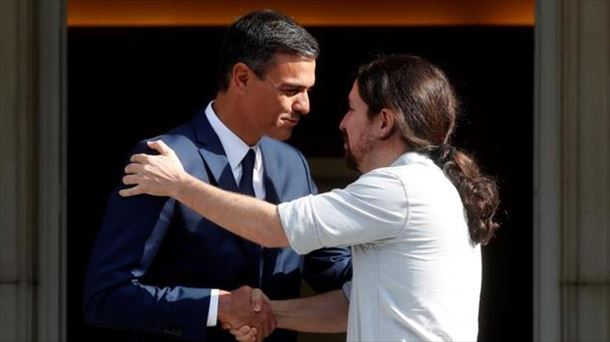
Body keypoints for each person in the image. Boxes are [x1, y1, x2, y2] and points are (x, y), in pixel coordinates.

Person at [119, 54, 500, 341]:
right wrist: (263, 312)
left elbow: (273, 227)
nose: (341, 122)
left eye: (352, 109)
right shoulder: (429, 185)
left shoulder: (399, 188)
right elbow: (349, 307)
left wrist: (178, 183)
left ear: (384, 122)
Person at [83, 9, 352, 342]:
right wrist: (215, 306)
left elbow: (329, 265)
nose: (305, 106)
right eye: (290, 90)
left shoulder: (292, 163)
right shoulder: (164, 159)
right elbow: (107, 297)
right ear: (241, 78)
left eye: (307, 90)